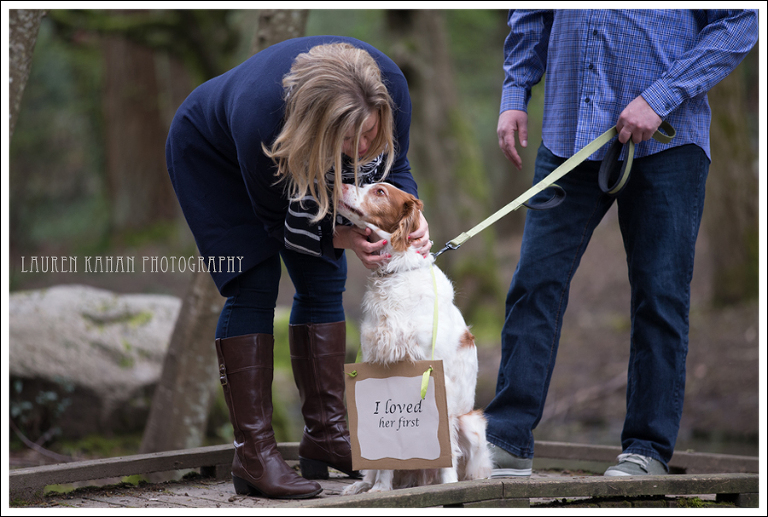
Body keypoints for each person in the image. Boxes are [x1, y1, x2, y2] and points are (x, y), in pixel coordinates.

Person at [486, 10, 758, 477]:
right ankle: (506, 438)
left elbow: (741, 22)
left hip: (669, 142)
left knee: (660, 296)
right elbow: (530, 14)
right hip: (567, 134)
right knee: (534, 282)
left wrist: (659, 97)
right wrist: (515, 92)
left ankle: (646, 449)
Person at [165, 36, 431, 499]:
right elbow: (274, 222)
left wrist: (413, 216)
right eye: (350, 140)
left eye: (369, 133)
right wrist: (342, 235)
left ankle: (327, 435)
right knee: (254, 281)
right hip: (216, 157)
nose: (362, 148)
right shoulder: (259, 116)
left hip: (300, 149)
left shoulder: (390, 90)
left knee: (325, 279)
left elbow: (395, 166)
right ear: (320, 125)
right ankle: (254, 454)